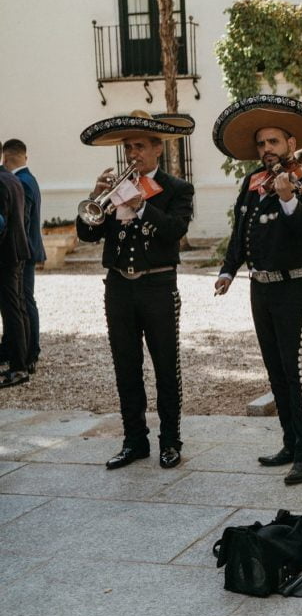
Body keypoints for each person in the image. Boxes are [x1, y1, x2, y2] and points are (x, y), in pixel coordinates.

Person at [213, 95, 302, 486]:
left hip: (299, 286)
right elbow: (240, 232)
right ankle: (290, 442)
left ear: (291, 144)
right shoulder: (251, 183)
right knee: (276, 372)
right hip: (260, 289)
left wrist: (287, 198)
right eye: (261, 144)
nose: (266, 150)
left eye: (274, 142)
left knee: (298, 371)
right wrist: (229, 270)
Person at [77, 110, 196, 468]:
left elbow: (175, 230)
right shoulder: (115, 190)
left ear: (157, 149)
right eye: (129, 147)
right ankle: (134, 442)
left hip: (158, 286)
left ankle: (170, 441)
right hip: (118, 288)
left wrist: (142, 206)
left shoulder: (177, 189)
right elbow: (87, 235)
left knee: (165, 367)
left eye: (140, 147)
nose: (133, 154)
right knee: (125, 367)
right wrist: (96, 198)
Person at [0, 139, 46, 373]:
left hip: (21, 252)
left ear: (5, 158)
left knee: (24, 302)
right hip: (26, 249)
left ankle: (29, 352)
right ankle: (18, 351)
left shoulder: (19, 181)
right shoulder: (28, 179)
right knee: (23, 302)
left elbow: (23, 220)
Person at [0, 163, 30, 388]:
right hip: (17, 250)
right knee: (16, 308)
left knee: (11, 312)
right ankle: (22, 360)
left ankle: (19, 367)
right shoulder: (11, 178)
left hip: (5, 255)